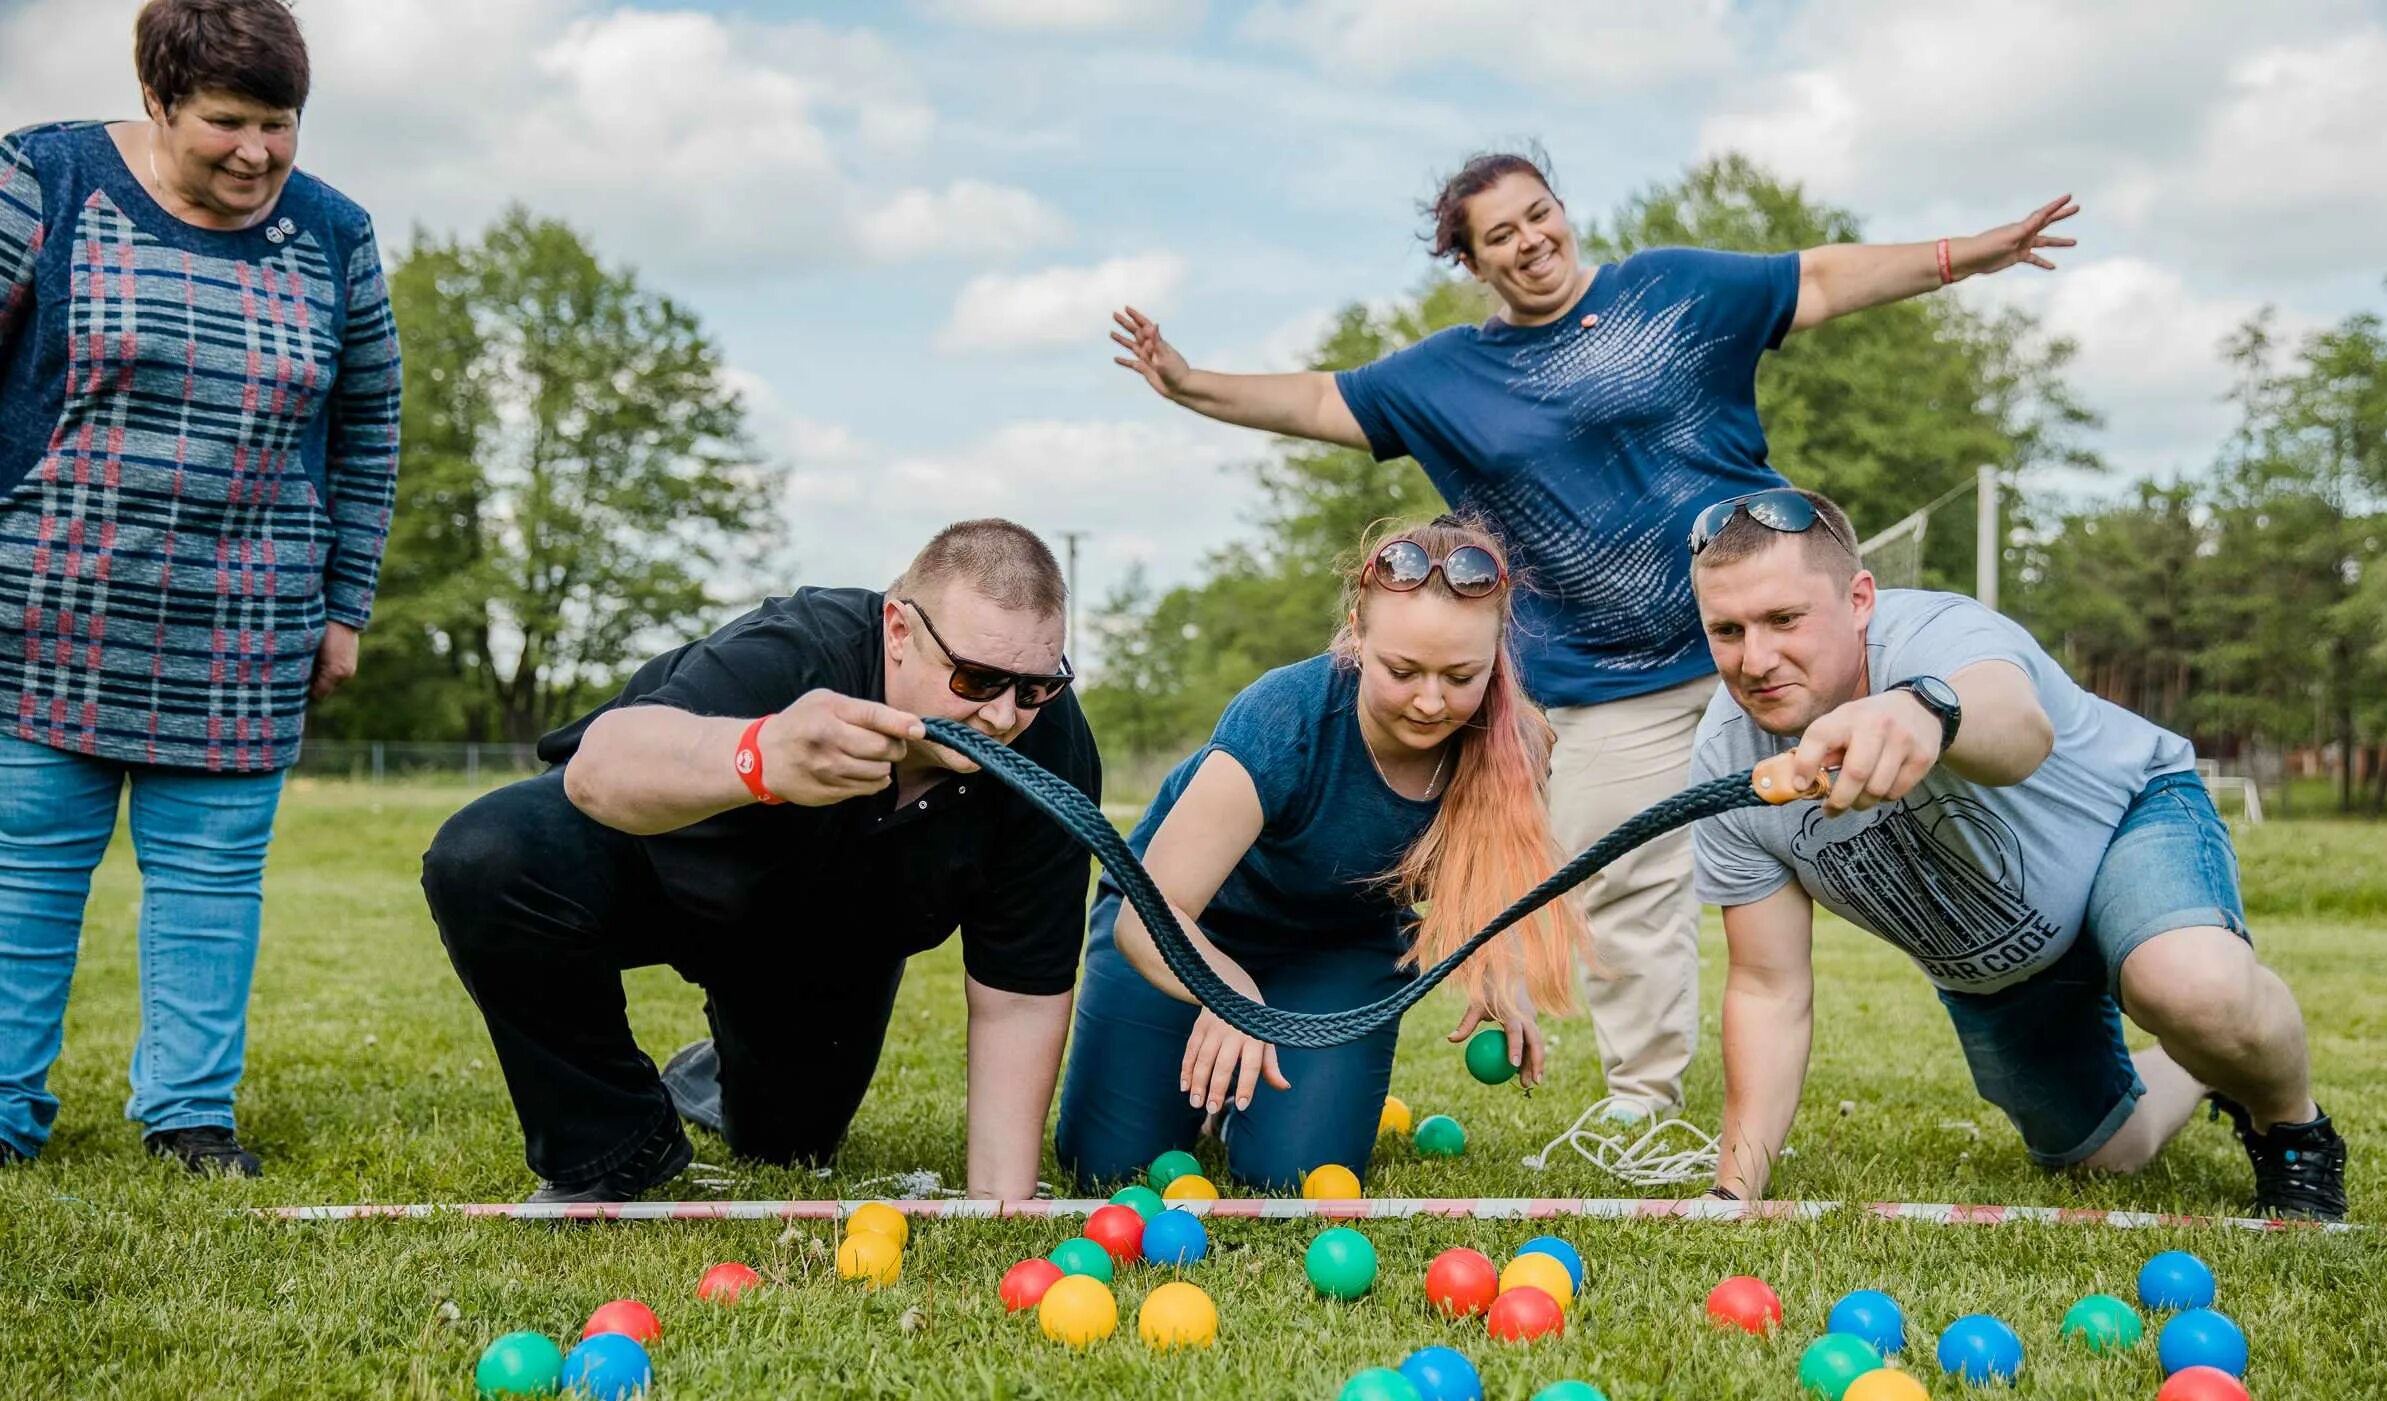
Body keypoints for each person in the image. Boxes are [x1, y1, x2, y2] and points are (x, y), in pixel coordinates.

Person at [1112, 151, 2076, 1129]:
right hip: (1615, 686)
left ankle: (2070, 928)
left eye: (1539, 215)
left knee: (1921, 785)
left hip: (1770, 641)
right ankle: (1641, 1100)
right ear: (1473, 263)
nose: (1530, 241)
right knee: (1620, 883)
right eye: (1500, 235)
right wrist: (1190, 383)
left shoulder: (1676, 289)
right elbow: (1321, 400)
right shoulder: (1445, 376)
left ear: (1563, 212)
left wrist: (1965, 255)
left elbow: (1819, 278)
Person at [1683, 487, 2346, 1220]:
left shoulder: (1938, 636)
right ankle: (2205, 1064)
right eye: (1728, 630)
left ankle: (2292, 1125)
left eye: (1784, 619)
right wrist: (1734, 1188)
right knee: (2106, 1153)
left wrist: (1927, 710)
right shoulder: (1725, 767)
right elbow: (1768, 988)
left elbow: (2018, 728)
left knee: (2190, 986)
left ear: (1860, 598)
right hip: (2003, 967)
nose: (1756, 659)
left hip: (2128, 821)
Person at [0, 0, 401, 1174]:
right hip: (43, 607)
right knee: (22, 878)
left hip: (246, 623)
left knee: (212, 886)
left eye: (279, 125)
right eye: (227, 122)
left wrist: (343, 606)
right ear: (160, 101)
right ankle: (4, 1109)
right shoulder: (45, 176)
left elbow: (368, 423)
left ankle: (188, 1117)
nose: (257, 153)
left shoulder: (334, 232)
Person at [422, 519, 1100, 1204]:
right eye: (977, 678)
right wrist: (762, 755)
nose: (1006, 716)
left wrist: (1000, 1204)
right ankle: (612, 1145)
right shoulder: (800, 649)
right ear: (899, 630)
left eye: (1038, 686)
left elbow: (1019, 996)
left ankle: (713, 1072)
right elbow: (598, 770)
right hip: (658, 863)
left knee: (789, 1143)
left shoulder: (1050, 758)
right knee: (486, 856)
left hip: (820, 945)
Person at [1055, 517, 1583, 1192]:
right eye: (1402, 669)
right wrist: (1233, 995)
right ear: (1357, 637)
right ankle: (1211, 1080)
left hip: (1336, 949)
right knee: (1105, 1170)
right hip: (1184, 929)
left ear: (1495, 656)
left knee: (1293, 1178)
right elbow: (1146, 917)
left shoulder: (1514, 745)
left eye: (1460, 675)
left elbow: (1485, 875)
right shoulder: (1281, 720)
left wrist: (1498, 975)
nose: (1430, 700)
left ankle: (1245, 1106)